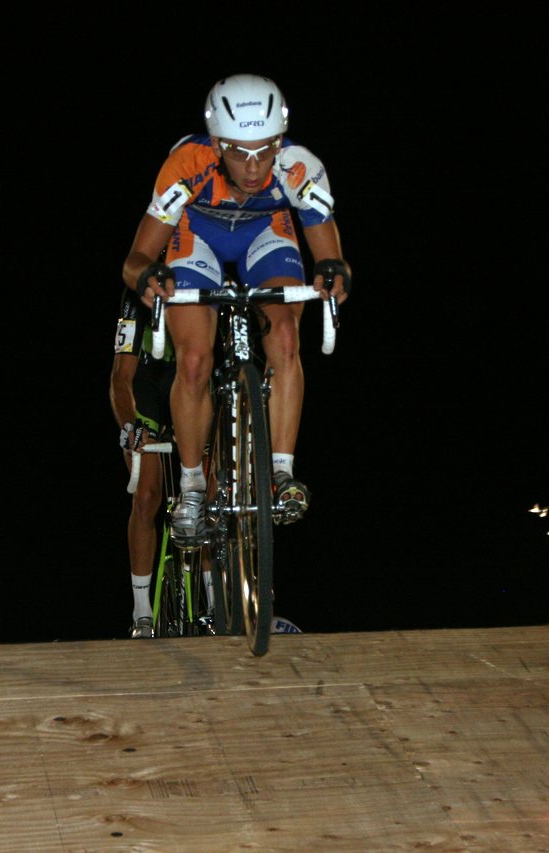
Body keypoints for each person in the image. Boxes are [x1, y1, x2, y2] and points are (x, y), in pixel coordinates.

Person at [121, 74, 351, 545]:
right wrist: (148, 277)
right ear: (217, 142)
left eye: (266, 149)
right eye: (239, 152)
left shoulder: (300, 167)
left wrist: (333, 273)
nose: (254, 166)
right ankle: (191, 488)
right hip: (196, 237)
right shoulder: (187, 163)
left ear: (281, 141)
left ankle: (281, 476)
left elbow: (329, 256)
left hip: (265, 235)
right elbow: (135, 260)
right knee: (193, 358)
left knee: (285, 336)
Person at [111, 285, 176, 638]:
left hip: (192, 391)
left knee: (215, 495)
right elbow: (120, 377)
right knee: (147, 497)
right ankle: (142, 613)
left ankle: (217, 599)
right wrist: (129, 426)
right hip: (147, 397)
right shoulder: (138, 296)